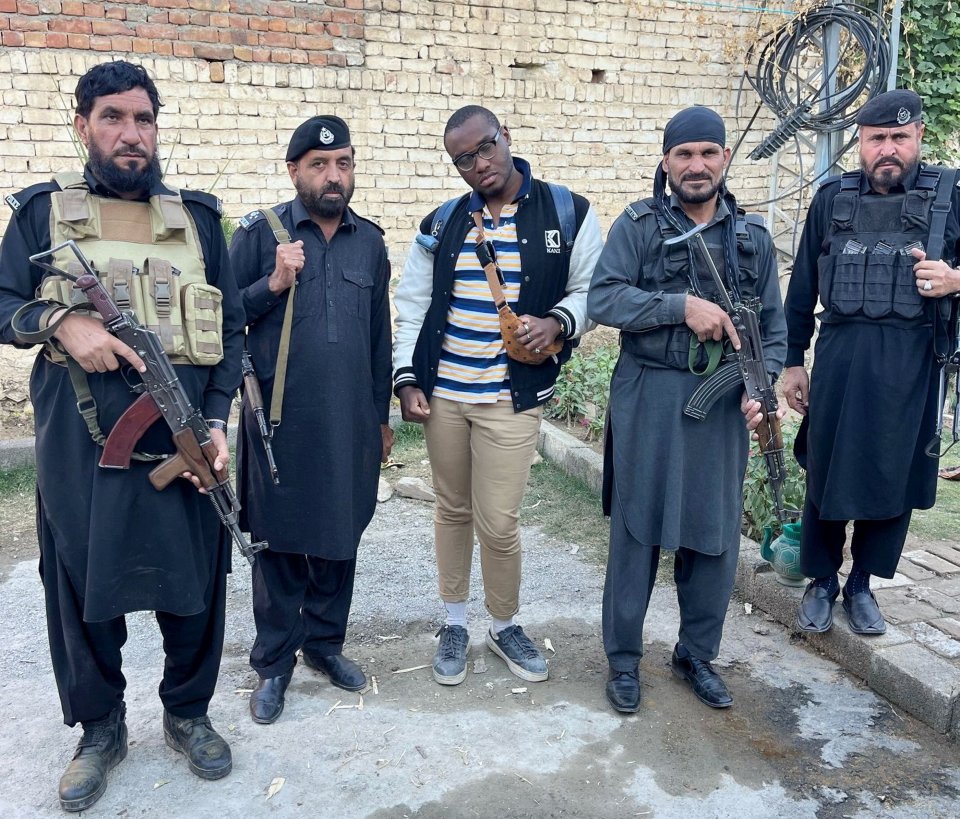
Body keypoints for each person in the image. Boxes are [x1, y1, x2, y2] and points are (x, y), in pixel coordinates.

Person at [0, 61, 244, 811]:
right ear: (83, 125)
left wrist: (214, 420)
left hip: (182, 438)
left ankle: (187, 711)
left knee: (198, 577)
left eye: (143, 118)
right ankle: (100, 727)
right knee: (79, 582)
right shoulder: (40, 215)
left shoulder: (199, 220)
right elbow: (4, 302)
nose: (130, 134)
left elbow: (231, 330)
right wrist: (62, 321)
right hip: (80, 445)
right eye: (112, 117)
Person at [393, 105, 603, 686]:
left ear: (506, 135)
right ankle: (454, 622)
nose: (478, 164)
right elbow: (411, 304)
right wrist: (407, 377)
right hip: (445, 398)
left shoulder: (568, 210)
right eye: (463, 158)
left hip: (512, 397)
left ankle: (504, 623)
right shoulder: (442, 223)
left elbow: (593, 288)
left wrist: (559, 321)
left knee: (500, 520)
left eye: (485, 147)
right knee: (452, 509)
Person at [588, 106, 787, 713]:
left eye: (708, 152)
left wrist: (762, 387)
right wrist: (680, 307)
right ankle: (623, 661)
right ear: (667, 161)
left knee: (715, 532)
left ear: (724, 158)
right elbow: (604, 297)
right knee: (636, 529)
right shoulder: (640, 225)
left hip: (723, 402)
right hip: (649, 394)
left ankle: (696, 654)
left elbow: (773, 331)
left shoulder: (754, 240)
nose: (696, 165)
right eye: (684, 154)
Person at [230, 116, 393, 724]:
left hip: (349, 421)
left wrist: (380, 418)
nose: (333, 176)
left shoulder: (369, 242)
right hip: (278, 424)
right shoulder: (258, 236)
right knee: (278, 545)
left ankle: (324, 645)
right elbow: (220, 321)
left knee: (339, 535)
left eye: (344, 164)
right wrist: (271, 283)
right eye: (320, 165)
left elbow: (380, 336)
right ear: (293, 170)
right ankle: (274, 665)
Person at [784, 89, 960, 636]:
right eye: (876, 138)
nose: (888, 149)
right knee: (826, 470)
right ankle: (821, 580)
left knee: (892, 476)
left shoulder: (951, 196)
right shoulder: (832, 197)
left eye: (899, 138)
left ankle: (862, 584)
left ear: (918, 139)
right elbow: (802, 288)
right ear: (860, 142)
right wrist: (793, 362)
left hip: (912, 364)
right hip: (839, 359)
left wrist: (955, 280)